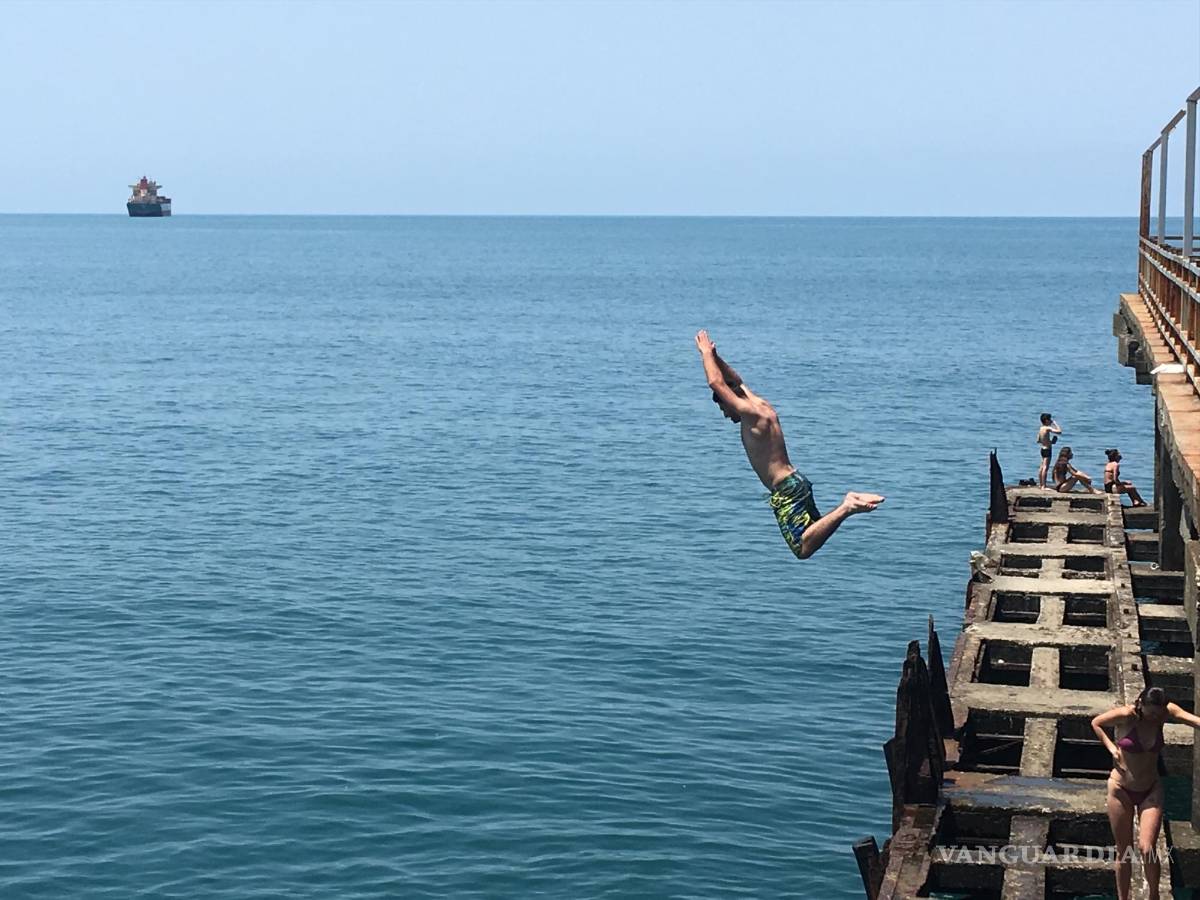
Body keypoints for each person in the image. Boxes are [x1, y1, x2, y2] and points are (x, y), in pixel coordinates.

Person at [694, 330, 884, 559]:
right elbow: (736, 380)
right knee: (814, 532)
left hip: (785, 490)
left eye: (723, 408)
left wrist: (705, 354)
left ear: (731, 402)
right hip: (796, 482)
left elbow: (716, 382)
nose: (725, 415)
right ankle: (847, 507)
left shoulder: (750, 413)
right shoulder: (761, 405)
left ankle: (848, 505)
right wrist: (716, 357)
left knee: (802, 549)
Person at [1092, 687, 1200, 900]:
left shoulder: (1166, 712)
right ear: (1141, 703)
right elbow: (1096, 722)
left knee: (1147, 847)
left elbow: (1195, 721)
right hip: (1120, 789)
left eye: (1158, 714)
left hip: (1150, 789)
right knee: (1124, 852)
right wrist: (1111, 747)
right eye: (1151, 713)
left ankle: (1153, 896)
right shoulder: (1126, 715)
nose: (1155, 717)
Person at [1036, 413, 1062, 489]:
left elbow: (1038, 440)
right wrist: (1055, 423)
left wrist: (1050, 442)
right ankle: (1043, 486)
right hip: (1047, 450)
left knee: (1041, 467)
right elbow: (1059, 431)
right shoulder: (1047, 428)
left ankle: (1041, 484)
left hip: (1042, 449)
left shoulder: (1041, 428)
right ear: (1046, 420)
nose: (1051, 421)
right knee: (1045, 467)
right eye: (1050, 419)